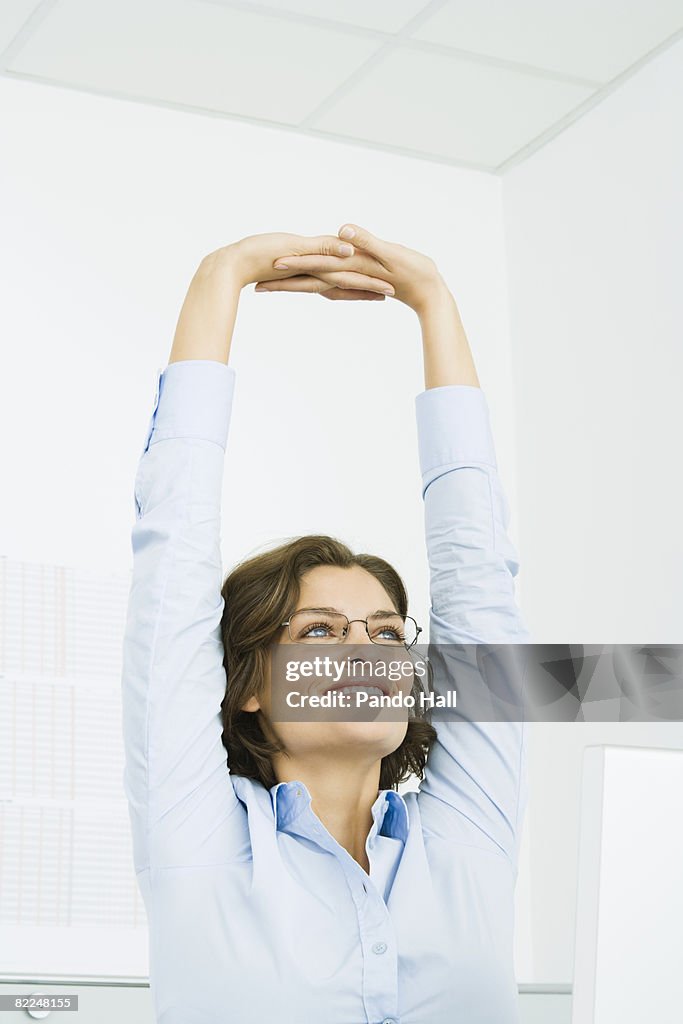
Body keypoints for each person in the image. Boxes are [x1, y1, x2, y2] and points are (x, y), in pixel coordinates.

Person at [121, 224, 531, 1024]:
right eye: (318, 633)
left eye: (385, 634)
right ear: (245, 688)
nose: (365, 655)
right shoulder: (202, 847)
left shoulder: (465, 843)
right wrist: (221, 277)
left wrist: (435, 307)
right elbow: (170, 574)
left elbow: (479, 577)